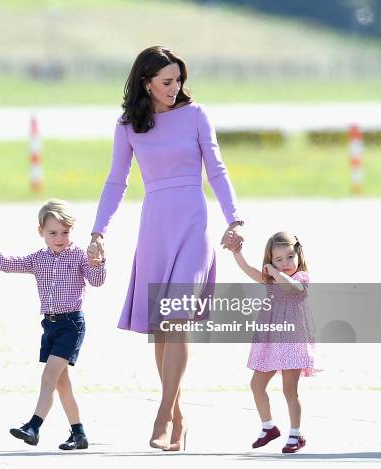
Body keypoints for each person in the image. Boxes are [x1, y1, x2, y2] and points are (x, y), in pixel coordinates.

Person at [88, 46, 244, 451]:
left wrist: (235, 218)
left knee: (176, 317)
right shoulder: (127, 125)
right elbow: (115, 181)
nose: (175, 88)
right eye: (167, 81)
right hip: (155, 226)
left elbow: (217, 169)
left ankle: (162, 413)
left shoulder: (196, 116)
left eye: (178, 80)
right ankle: (179, 416)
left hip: (194, 223)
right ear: (146, 83)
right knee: (161, 328)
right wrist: (98, 232)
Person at [0, 199, 106, 450]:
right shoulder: (38, 259)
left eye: (65, 232)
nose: (59, 237)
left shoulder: (80, 257)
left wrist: (97, 263)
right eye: (52, 232)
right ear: (41, 232)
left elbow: (97, 281)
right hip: (49, 326)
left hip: (71, 324)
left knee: (49, 376)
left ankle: (34, 426)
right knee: (62, 384)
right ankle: (79, 434)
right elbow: (8, 264)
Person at [231, 231, 317, 454]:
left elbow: (292, 288)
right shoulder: (272, 278)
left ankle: (296, 434)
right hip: (271, 340)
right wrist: (237, 253)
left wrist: (275, 272)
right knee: (256, 385)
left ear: (298, 254)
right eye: (278, 259)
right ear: (270, 261)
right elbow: (249, 270)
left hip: (292, 341)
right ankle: (268, 427)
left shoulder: (301, 278)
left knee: (290, 390)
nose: (286, 263)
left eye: (290, 257)